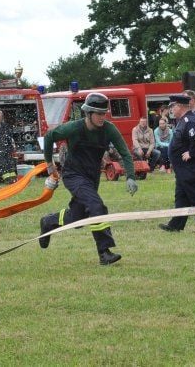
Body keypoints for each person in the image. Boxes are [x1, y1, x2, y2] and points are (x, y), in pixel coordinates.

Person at [39, 93, 138, 265]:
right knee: (96, 206)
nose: (102, 117)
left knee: (78, 218)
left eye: (104, 113)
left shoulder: (109, 129)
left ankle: (48, 222)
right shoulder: (73, 128)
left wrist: (130, 176)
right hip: (73, 175)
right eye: (98, 114)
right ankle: (104, 252)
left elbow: (125, 153)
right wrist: (49, 164)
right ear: (88, 113)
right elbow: (49, 137)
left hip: (92, 177)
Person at [158, 95, 195, 232]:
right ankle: (176, 225)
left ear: (181, 106)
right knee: (181, 196)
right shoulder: (182, 120)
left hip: (193, 166)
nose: (171, 109)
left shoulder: (190, 120)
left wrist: (191, 153)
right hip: (183, 168)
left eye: (173, 106)